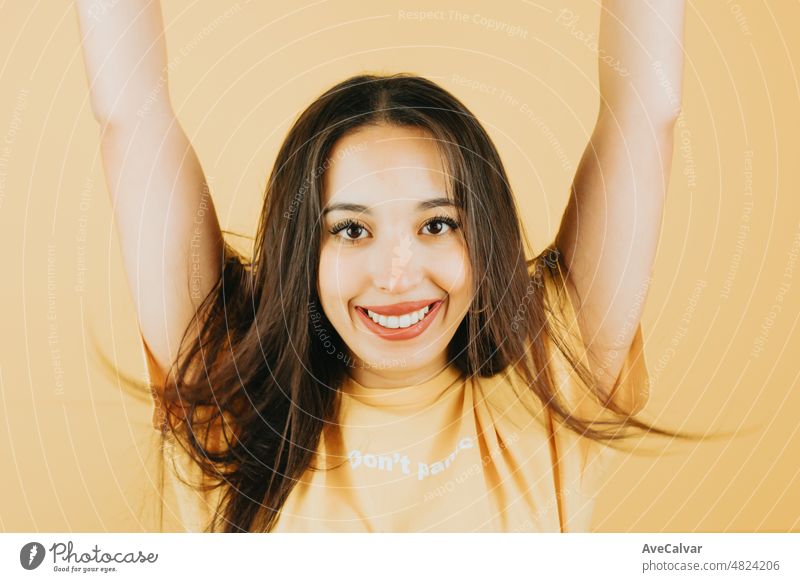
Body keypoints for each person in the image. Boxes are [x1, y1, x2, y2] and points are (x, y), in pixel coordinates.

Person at [75, 0, 688, 532]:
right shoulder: (232, 393)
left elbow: (646, 110)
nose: (396, 275)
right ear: (303, 253)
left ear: (483, 239)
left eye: (437, 224)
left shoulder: (548, 374)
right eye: (351, 229)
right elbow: (130, 112)